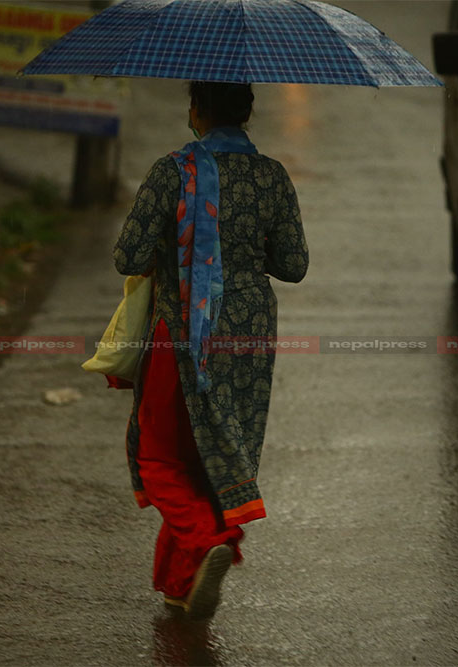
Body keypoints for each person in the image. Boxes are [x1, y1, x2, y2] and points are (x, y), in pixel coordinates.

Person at [113, 80, 308, 619]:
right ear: (246, 112)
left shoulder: (173, 171)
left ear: (196, 109)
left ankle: (209, 536)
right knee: (213, 453)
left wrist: (174, 245)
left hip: (183, 333)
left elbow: (127, 255)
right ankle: (181, 581)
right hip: (247, 332)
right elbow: (293, 265)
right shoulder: (272, 176)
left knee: (158, 457)